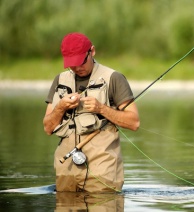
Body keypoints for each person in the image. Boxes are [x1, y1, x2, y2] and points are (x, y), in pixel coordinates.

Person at [43, 32, 140, 192]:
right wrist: (60, 107)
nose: (77, 68)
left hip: (103, 169)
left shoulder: (114, 78)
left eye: (81, 62)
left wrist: (101, 108)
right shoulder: (59, 80)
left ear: (92, 52)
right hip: (66, 168)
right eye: (72, 64)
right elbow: (47, 128)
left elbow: (134, 122)